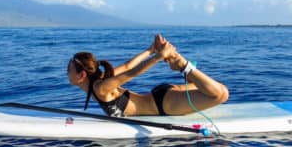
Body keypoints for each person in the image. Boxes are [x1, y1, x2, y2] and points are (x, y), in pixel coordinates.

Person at [67, 34, 229, 117]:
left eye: (69, 70)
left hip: (163, 105)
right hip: (160, 96)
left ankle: (180, 63)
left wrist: (158, 55)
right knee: (216, 88)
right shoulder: (102, 79)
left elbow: (132, 71)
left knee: (220, 95)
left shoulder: (102, 88)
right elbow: (128, 66)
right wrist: (151, 50)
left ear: (81, 75)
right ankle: (181, 67)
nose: (67, 73)